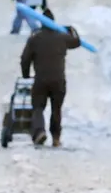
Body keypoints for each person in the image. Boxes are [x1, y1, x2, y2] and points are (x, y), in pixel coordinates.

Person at [19, 8, 80, 147]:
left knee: (38, 107)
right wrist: (71, 30)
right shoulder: (62, 37)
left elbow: (25, 59)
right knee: (56, 109)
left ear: (42, 23)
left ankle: (39, 131)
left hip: (41, 80)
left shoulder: (34, 39)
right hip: (59, 80)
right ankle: (56, 138)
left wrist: (26, 75)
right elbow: (77, 42)